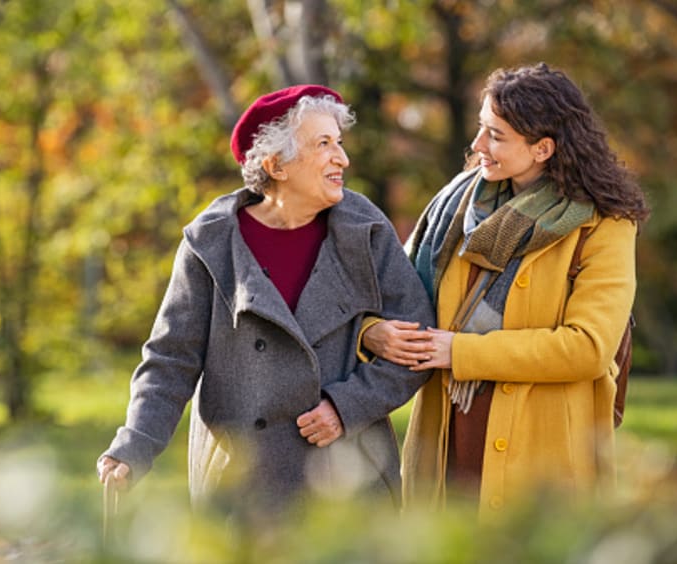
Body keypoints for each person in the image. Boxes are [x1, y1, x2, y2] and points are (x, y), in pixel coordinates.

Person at [97, 84, 435, 517]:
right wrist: (133, 446)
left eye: (340, 143)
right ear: (276, 164)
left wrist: (346, 406)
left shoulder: (365, 229)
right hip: (243, 485)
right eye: (324, 144)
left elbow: (418, 339)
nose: (342, 159)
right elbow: (170, 361)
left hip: (348, 478)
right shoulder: (211, 242)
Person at [360, 63, 649, 516]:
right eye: (480, 129)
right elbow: (388, 297)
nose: (477, 146)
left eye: (495, 135)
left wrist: (461, 352)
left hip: (543, 456)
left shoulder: (604, 225)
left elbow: (588, 347)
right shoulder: (454, 210)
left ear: (542, 148)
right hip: (447, 442)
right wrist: (372, 332)